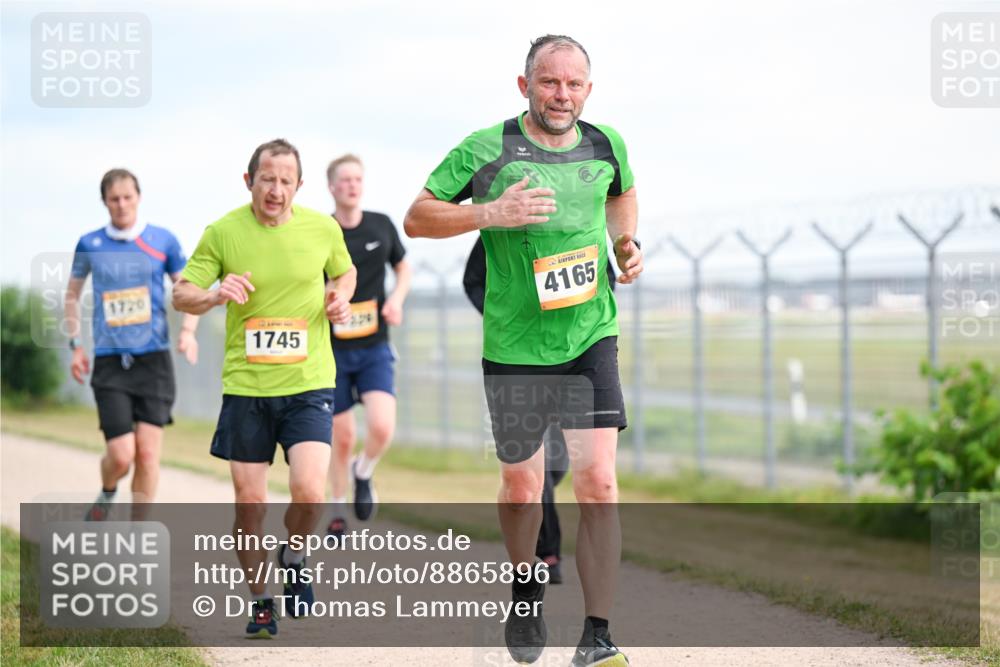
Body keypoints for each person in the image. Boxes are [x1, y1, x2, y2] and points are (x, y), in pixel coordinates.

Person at [405, 34, 641, 667]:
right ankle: (527, 585)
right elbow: (418, 216)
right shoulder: (486, 149)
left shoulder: (607, 143)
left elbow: (620, 196)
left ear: (588, 89)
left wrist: (626, 244)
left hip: (590, 334)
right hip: (514, 345)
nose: (561, 95)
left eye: (573, 84)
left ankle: (598, 633)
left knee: (599, 483)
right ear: (524, 85)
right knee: (520, 486)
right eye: (549, 82)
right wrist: (491, 212)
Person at [172, 139, 356, 638]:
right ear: (248, 179)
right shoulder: (224, 232)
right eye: (267, 179)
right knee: (249, 505)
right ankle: (260, 602)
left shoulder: (322, 228)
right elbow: (181, 293)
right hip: (248, 388)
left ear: (300, 185)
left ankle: (295, 552)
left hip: (309, 382)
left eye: (286, 181)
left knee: (310, 491)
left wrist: (338, 298)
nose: (275, 190)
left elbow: (345, 271)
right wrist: (214, 294)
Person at [463, 237, 618, 586]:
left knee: (562, 466)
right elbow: (473, 281)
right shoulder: (503, 218)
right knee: (531, 480)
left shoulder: (583, 220)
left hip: (576, 356)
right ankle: (545, 555)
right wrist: (504, 314)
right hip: (520, 358)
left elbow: (603, 277)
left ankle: (547, 553)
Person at [65, 168, 200, 521]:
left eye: (128, 197)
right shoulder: (90, 243)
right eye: (114, 199)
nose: (122, 205)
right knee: (122, 454)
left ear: (138, 197)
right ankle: (109, 489)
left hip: (154, 361)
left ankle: (138, 533)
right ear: (105, 202)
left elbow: (187, 290)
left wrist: (188, 331)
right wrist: (76, 345)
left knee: (148, 455)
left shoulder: (163, 241)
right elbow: (72, 296)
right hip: (110, 362)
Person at [323, 154, 411, 538]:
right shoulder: (321, 230)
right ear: (331, 187)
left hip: (374, 345)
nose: (352, 185)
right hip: (333, 350)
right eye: (344, 180)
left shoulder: (381, 224)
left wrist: (397, 300)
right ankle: (337, 508)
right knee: (341, 437)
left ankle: (364, 470)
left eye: (358, 178)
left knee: (381, 426)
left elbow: (403, 266)